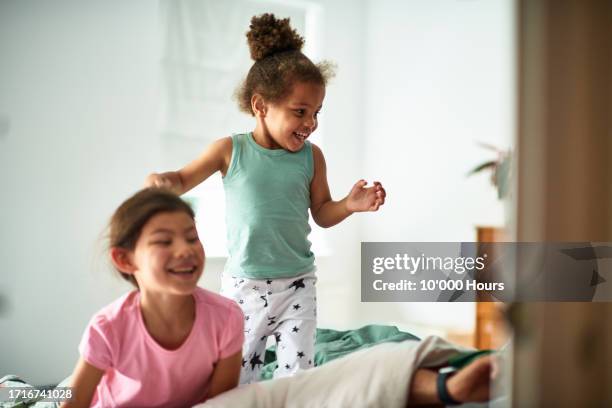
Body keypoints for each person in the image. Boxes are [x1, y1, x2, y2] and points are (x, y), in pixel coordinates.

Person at [145, 13, 386, 384]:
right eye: (300, 112)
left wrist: (349, 205)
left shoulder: (311, 157)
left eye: (316, 112)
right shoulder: (230, 151)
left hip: (298, 283)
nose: (311, 123)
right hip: (245, 286)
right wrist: (164, 181)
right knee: (240, 376)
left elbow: (321, 212)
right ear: (260, 106)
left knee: (298, 377)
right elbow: (181, 179)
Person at [62, 188, 244, 408]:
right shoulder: (107, 327)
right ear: (125, 259)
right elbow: (74, 402)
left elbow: (221, 404)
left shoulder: (227, 317)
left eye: (191, 238)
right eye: (164, 241)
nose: (185, 250)